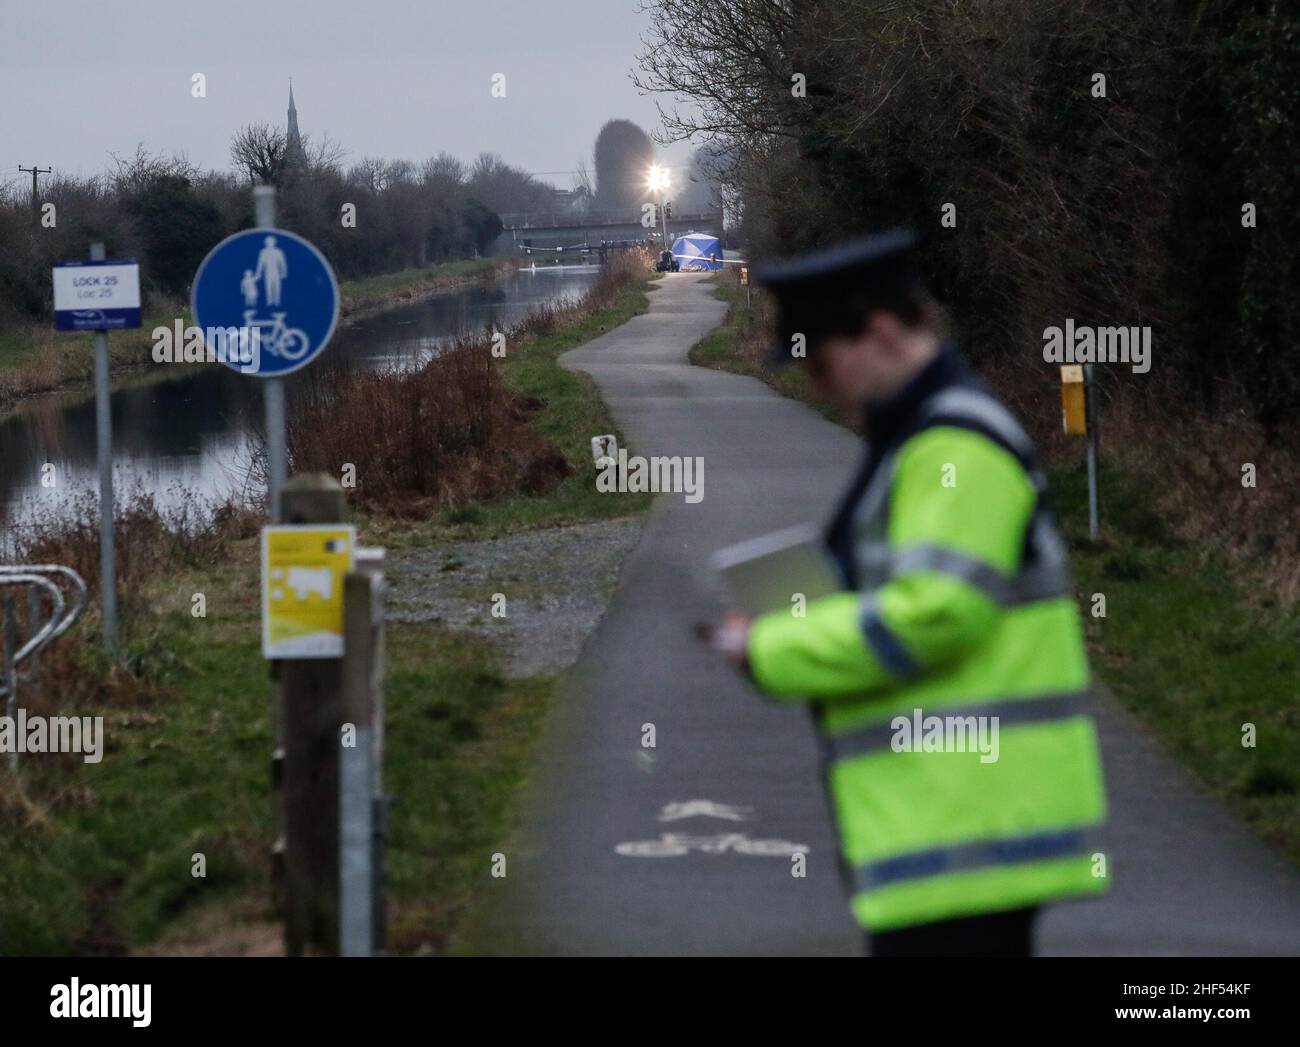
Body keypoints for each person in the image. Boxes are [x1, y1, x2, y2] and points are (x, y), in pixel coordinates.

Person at [702, 230, 1108, 956]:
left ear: (881, 332)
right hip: (950, 826)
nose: (818, 387)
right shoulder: (925, 438)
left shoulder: (954, 445)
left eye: (822, 362)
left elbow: (937, 613)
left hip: (968, 826)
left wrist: (770, 645)